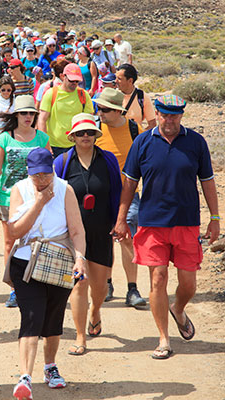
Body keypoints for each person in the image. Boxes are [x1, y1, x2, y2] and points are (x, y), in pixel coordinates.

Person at [112, 94, 220, 359]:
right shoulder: (142, 142)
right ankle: (164, 339)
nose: (169, 120)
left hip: (186, 222)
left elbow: (207, 180)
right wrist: (121, 219)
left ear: (181, 115)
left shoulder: (196, 142)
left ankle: (178, 309)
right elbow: (130, 183)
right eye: (164, 115)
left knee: (188, 285)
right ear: (157, 114)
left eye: (174, 115)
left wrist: (215, 218)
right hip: (152, 222)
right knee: (158, 279)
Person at [8, 147, 87, 400]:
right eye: (36, 175)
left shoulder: (65, 189)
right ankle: (25, 377)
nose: (41, 179)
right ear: (28, 172)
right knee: (31, 316)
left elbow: (77, 230)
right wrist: (39, 202)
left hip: (60, 261)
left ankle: (50, 366)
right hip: (26, 262)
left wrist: (80, 258)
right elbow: (15, 231)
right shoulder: (20, 189)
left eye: (45, 174)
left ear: (52, 170)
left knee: (54, 316)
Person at [53, 113, 122, 355]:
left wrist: (118, 222)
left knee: (100, 287)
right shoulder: (62, 163)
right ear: (72, 136)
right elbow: (54, 197)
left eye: (90, 132)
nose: (85, 136)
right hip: (73, 235)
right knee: (79, 284)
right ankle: (80, 337)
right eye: (80, 133)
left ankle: (95, 310)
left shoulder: (108, 160)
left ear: (95, 135)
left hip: (102, 230)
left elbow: (117, 192)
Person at [0, 95, 51, 308]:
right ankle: (14, 288)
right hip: (8, 199)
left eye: (32, 113)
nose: (28, 117)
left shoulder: (42, 138)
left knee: (38, 241)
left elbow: (49, 170)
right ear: (16, 115)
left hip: (36, 199)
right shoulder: (4, 139)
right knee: (10, 243)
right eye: (24, 113)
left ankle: (37, 284)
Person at [93, 88, 146, 306]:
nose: (100, 113)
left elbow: (145, 161)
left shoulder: (135, 130)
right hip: (101, 195)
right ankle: (107, 284)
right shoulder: (94, 129)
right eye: (98, 108)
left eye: (104, 110)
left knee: (127, 239)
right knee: (105, 240)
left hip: (128, 195)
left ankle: (132, 289)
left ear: (117, 111)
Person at [38, 63, 94, 157]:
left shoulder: (83, 95)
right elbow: (42, 120)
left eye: (77, 81)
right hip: (54, 146)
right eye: (71, 80)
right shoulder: (51, 93)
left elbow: (89, 120)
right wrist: (45, 144)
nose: (74, 83)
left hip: (77, 145)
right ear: (63, 76)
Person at [116, 64, 157, 130]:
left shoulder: (142, 97)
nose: (116, 81)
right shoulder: (113, 95)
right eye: (116, 78)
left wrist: (140, 135)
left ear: (130, 81)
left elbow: (152, 124)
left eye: (119, 79)